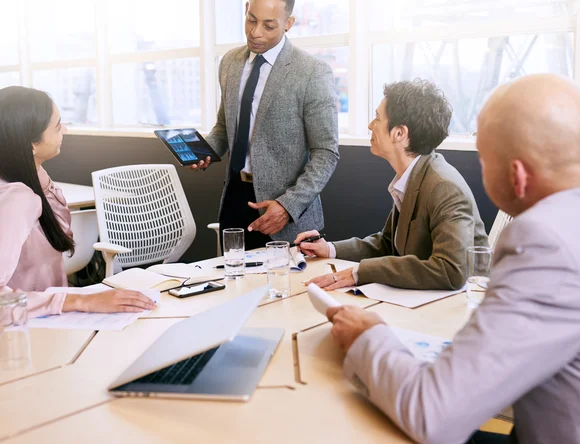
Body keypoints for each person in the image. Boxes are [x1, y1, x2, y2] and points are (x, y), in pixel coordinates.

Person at [325, 74, 580, 444]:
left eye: (483, 158)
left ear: (516, 176)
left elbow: (431, 413)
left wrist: (367, 335)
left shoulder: (547, 242)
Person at [295, 79, 488, 291]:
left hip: (458, 307)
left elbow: (451, 270)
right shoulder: (414, 175)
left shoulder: (444, 187)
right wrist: (329, 249)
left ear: (399, 134)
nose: (370, 125)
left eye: (377, 118)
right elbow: (387, 244)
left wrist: (359, 272)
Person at [189, 0, 339, 250]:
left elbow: (326, 153)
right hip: (235, 200)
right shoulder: (229, 62)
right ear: (246, 8)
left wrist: (288, 206)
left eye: (269, 26)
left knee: (285, 288)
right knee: (233, 285)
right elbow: (225, 127)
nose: (256, 32)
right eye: (251, 20)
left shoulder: (313, 71)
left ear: (288, 24)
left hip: (286, 212)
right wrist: (205, 151)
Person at [0, 86, 156, 318]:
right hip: (26, 334)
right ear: (31, 143)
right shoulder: (17, 198)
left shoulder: (35, 180)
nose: (65, 130)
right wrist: (80, 300)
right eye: (57, 125)